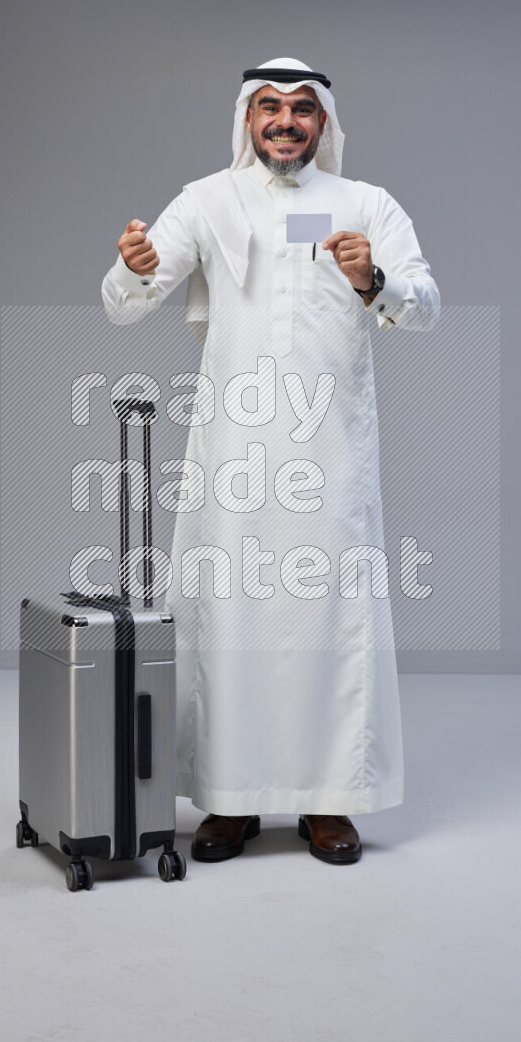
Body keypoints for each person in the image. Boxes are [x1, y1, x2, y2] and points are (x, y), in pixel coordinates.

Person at [102, 57, 439, 865]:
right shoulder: (207, 201)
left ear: (322, 122)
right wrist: (134, 266)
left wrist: (374, 277)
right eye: (269, 108)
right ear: (248, 120)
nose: (285, 122)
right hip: (235, 451)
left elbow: (424, 305)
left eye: (300, 109)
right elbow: (125, 302)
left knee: (331, 618)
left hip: (331, 453)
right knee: (230, 621)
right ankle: (229, 800)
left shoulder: (366, 205)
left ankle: (329, 805)